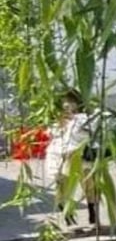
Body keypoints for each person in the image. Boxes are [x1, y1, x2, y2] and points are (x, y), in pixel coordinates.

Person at [44, 89, 100, 226]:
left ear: (77, 102)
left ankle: (93, 215)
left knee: (89, 185)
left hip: (80, 156)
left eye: (70, 102)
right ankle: (67, 216)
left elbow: (90, 134)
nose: (67, 105)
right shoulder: (58, 121)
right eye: (64, 102)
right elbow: (52, 136)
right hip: (60, 157)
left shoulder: (85, 118)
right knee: (62, 187)